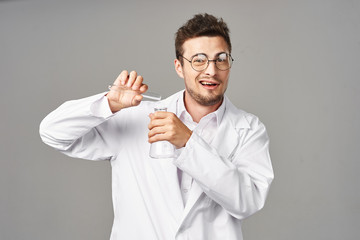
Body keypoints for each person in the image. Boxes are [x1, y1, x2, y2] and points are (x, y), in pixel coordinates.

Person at [40, 13, 274, 240]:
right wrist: (108, 104)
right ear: (179, 67)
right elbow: (52, 132)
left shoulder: (249, 129)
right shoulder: (138, 116)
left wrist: (189, 143)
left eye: (220, 59)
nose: (211, 70)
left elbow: (248, 201)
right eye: (199, 60)